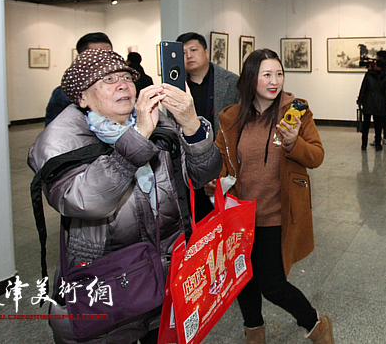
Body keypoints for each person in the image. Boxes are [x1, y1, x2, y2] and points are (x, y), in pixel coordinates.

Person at [28, 49, 223, 343]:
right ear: (82, 98)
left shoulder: (159, 122)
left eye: (126, 77)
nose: (123, 84)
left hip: (167, 269)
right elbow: (86, 200)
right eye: (107, 79)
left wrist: (192, 125)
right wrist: (140, 135)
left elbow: (201, 175)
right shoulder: (60, 141)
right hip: (110, 279)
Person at [214, 48, 333, 344]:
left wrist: (294, 144)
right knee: (243, 280)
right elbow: (219, 160)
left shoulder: (297, 113)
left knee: (273, 284)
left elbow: (316, 156)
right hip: (240, 215)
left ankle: (316, 324)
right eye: (266, 74)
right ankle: (253, 331)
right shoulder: (231, 118)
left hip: (277, 214)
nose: (274, 81)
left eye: (279, 74)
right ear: (251, 78)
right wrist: (214, 181)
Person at [177, 32, 240, 220]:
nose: (188, 56)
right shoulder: (176, 86)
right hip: (189, 167)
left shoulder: (232, 82)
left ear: (206, 52)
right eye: (183, 53)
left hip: (223, 164)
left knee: (223, 221)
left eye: (193, 50)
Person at [44, 32, 112, 126]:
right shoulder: (66, 93)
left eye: (109, 55)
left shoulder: (122, 87)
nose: (105, 60)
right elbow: (53, 130)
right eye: (97, 56)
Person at [357, 62, 386, 151]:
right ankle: (378, 144)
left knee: (366, 124)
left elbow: (363, 87)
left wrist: (360, 100)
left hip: (368, 100)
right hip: (379, 101)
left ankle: (364, 144)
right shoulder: (385, 76)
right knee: (378, 124)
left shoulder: (368, 75)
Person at [375, 50, 386, 145]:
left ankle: (380, 137)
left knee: (379, 116)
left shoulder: (383, 68)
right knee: (385, 115)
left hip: (380, 94)